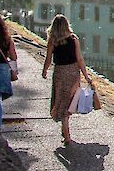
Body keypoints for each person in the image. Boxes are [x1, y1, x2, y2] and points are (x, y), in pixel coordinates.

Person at [42, 14, 91, 145]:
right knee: (70, 100)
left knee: (61, 100)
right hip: (73, 72)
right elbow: (79, 59)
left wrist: (45, 70)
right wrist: (86, 75)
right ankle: (66, 132)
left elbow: (48, 58)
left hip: (60, 72)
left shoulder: (53, 41)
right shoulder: (74, 39)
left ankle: (66, 133)